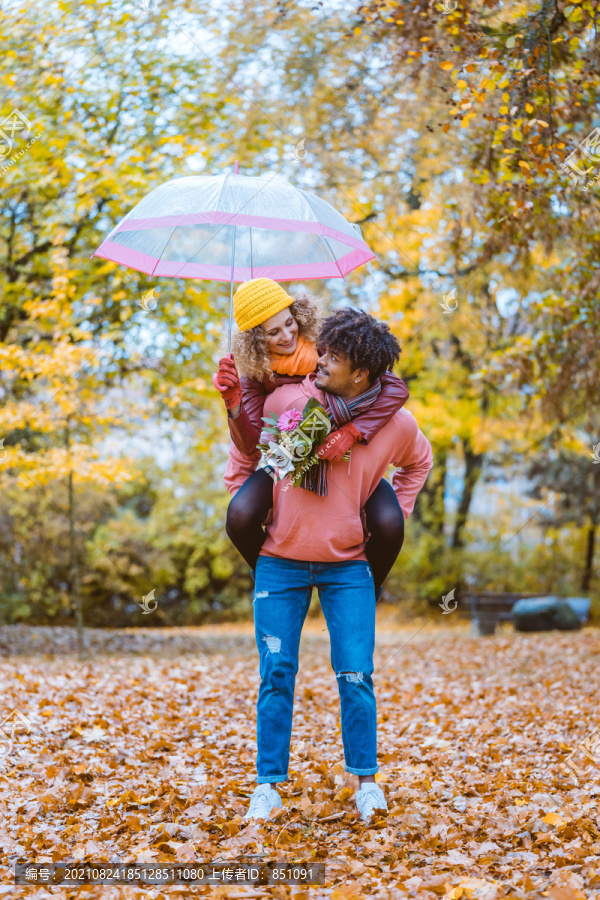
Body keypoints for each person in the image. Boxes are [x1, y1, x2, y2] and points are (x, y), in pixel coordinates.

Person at [224, 308, 434, 822]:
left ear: (361, 374)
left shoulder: (394, 424)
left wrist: (391, 514)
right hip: (279, 562)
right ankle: (268, 784)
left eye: (332, 356)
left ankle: (365, 781)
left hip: (348, 569)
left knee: (356, 675)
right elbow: (243, 462)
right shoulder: (288, 400)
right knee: (276, 673)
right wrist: (254, 502)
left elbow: (419, 463)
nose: (318, 358)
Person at [213, 277, 410, 599]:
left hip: (349, 456)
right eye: (273, 332)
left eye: (289, 323)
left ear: (298, 315)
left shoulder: (324, 346)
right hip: (289, 456)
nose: (287, 335)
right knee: (240, 515)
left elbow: (396, 388)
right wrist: (232, 401)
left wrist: (352, 431)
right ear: (255, 339)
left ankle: (369, 587)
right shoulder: (253, 374)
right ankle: (267, 573)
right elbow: (250, 445)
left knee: (389, 524)